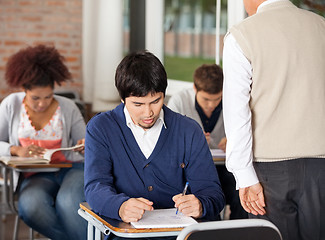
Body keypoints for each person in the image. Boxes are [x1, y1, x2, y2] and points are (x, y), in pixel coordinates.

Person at [84, 50, 225, 240]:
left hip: (180, 235)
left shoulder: (189, 130)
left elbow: (212, 193)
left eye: (156, 101)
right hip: (127, 235)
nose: (148, 113)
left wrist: (201, 205)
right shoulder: (101, 127)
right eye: (138, 104)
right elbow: (95, 187)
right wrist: (120, 206)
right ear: (122, 98)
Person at [222, 0, 325, 240]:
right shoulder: (321, 26)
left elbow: (237, 113)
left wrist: (244, 175)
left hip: (270, 171)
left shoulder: (242, 35)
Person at [0, 44, 87, 240]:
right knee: (31, 207)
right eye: (35, 98)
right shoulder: (11, 105)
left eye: (48, 97)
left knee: (69, 202)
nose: (42, 103)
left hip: (72, 169)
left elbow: (86, 144)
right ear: (24, 89)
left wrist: (84, 145)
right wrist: (14, 150)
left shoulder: (68, 107)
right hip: (35, 176)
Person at [168, 63, 247, 220]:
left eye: (217, 99)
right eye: (206, 99)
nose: (211, 105)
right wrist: (191, 143)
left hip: (224, 168)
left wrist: (234, 141)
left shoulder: (233, 103)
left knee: (241, 194)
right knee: (201, 199)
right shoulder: (179, 101)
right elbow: (169, 141)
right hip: (191, 171)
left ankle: (238, 233)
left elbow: (245, 135)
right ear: (195, 89)